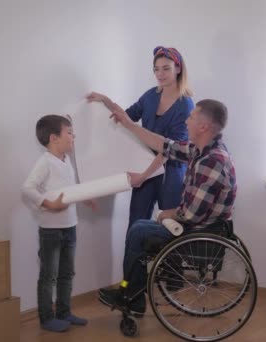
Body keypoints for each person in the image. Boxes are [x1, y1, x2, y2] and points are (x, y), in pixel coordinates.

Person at [98, 99, 237, 317]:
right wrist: (129, 124)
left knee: (138, 231)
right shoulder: (203, 150)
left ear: (203, 126)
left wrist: (166, 214)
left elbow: (189, 214)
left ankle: (130, 295)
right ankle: (132, 292)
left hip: (199, 236)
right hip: (205, 229)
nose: (186, 120)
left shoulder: (211, 161)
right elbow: (164, 145)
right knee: (140, 227)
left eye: (191, 117)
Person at [87, 46, 194, 230]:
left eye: (166, 68)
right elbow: (126, 118)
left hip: (169, 173)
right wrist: (106, 101)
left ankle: (163, 260)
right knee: (136, 225)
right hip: (144, 168)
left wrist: (143, 176)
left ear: (178, 68)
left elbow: (171, 149)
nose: (160, 74)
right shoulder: (151, 95)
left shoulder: (185, 104)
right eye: (156, 69)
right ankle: (135, 260)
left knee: (169, 228)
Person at [22, 115, 96, 332]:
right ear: (54, 138)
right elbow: (27, 189)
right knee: (49, 276)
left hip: (70, 226)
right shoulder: (45, 162)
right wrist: (49, 204)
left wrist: (85, 196)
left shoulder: (66, 161)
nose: (74, 137)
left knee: (67, 273)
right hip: (51, 231)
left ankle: (64, 312)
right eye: (70, 133)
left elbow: (69, 190)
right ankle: (46, 318)